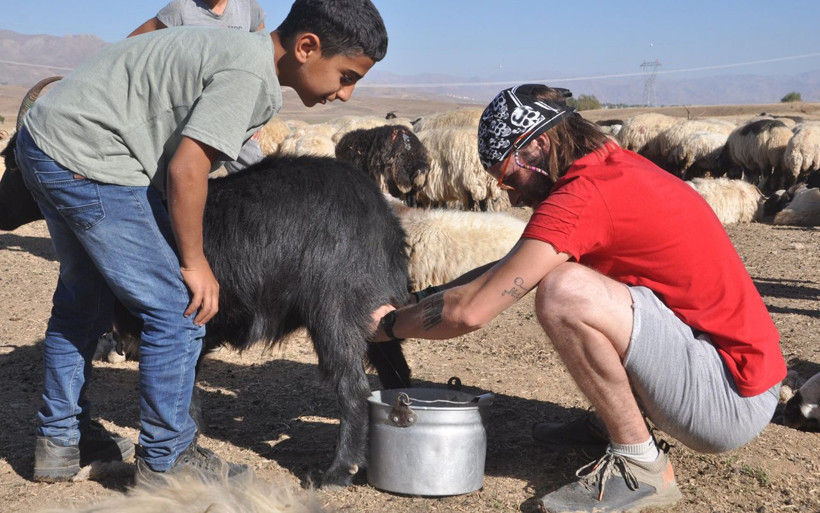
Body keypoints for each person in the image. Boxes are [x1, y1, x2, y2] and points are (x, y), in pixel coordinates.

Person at [17, 0, 388, 485]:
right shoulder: (251, 77)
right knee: (178, 309)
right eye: (345, 76)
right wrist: (195, 263)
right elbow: (186, 168)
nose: (346, 94)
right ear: (306, 47)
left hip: (45, 138)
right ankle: (168, 461)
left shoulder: (235, 47)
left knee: (85, 301)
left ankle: (60, 442)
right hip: (91, 159)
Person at [370, 84, 785, 512]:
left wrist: (388, 326)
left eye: (508, 176)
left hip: (730, 397)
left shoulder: (583, 196)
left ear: (539, 146)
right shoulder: (610, 168)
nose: (510, 195)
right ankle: (615, 419)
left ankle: (640, 465)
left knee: (563, 290)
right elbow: (508, 265)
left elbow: (471, 311)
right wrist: (416, 298)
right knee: (566, 274)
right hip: (732, 373)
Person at [129, 0, 267, 174]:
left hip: (233, 106)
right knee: (181, 170)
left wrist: (257, 115)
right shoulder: (181, 9)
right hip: (190, 107)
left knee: (255, 172)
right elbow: (133, 43)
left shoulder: (248, 7)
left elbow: (263, 54)